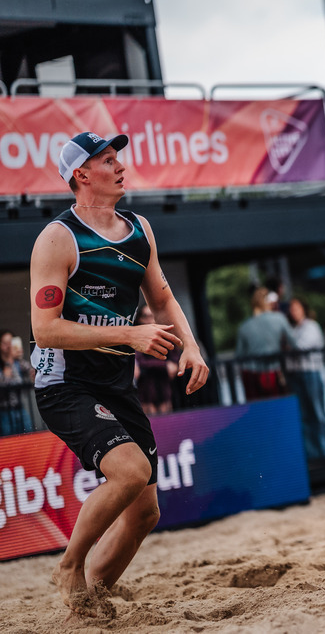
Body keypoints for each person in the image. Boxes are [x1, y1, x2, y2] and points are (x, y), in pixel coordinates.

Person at [29, 131, 209, 617]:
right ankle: (70, 566)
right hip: (65, 384)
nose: (120, 166)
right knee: (130, 472)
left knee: (145, 513)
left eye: (118, 157)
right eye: (108, 160)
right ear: (82, 175)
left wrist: (191, 347)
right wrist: (130, 335)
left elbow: (163, 299)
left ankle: (94, 593)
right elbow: (45, 330)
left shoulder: (139, 229)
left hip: (114, 383)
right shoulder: (58, 238)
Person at [284, 296, 325, 460]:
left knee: (318, 413)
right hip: (297, 374)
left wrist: (289, 345)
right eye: (291, 309)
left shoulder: (311, 326)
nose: (294, 312)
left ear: (303, 309)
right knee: (304, 415)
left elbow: (301, 347)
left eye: (296, 308)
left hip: (311, 372)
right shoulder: (294, 329)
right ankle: (313, 454)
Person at [235, 286, 295, 400]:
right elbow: (294, 343)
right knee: (278, 404)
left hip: (252, 374)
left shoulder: (244, 326)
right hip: (274, 371)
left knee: (259, 407)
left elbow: (239, 355)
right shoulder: (279, 318)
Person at [133, 305, 179, 416]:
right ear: (140, 319)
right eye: (146, 316)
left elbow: (174, 365)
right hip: (145, 392)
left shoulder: (167, 337)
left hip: (164, 390)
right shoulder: (136, 338)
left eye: (152, 316)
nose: (150, 320)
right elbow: (139, 363)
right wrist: (164, 366)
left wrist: (150, 366)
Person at [1, 329, 34, 435]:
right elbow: (5, 384)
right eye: (6, 343)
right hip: (4, 411)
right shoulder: (5, 364)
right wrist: (9, 359)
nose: (9, 346)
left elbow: (32, 371)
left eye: (11, 342)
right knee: (8, 438)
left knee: (28, 434)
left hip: (19, 407)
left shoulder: (18, 363)